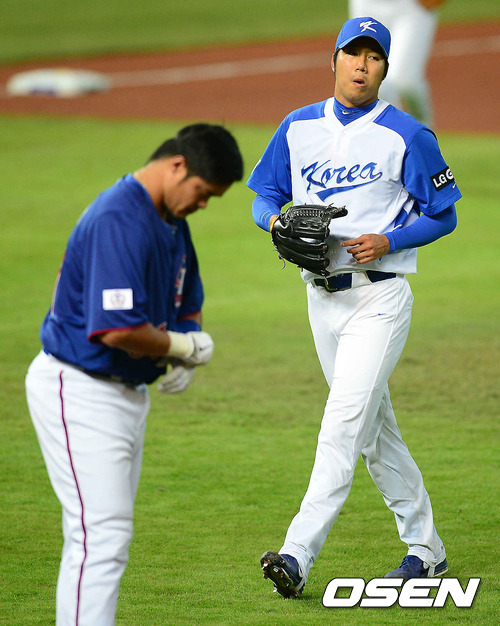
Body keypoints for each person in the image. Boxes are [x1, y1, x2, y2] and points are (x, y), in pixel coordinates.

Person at [247, 17, 461, 598]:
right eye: (352, 53)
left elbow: (444, 214)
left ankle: (296, 554)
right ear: (334, 59)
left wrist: (391, 240)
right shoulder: (297, 126)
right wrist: (275, 222)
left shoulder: (407, 135)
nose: (361, 65)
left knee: (343, 424)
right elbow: (265, 196)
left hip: (379, 299)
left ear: (385, 69)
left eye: (374, 57)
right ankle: (427, 550)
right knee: (373, 433)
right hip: (320, 300)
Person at [25, 123, 243, 624]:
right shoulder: (118, 218)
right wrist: (183, 347)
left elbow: (185, 299)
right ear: (177, 166)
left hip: (124, 394)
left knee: (104, 536)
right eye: (203, 192)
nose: (203, 205)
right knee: (100, 536)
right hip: (79, 388)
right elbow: (117, 329)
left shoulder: (170, 218)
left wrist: (184, 345)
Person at [349, 0, 446, 127]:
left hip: (410, 7)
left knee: (407, 82)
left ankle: (423, 132)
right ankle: (394, 133)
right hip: (368, 6)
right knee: (375, 81)